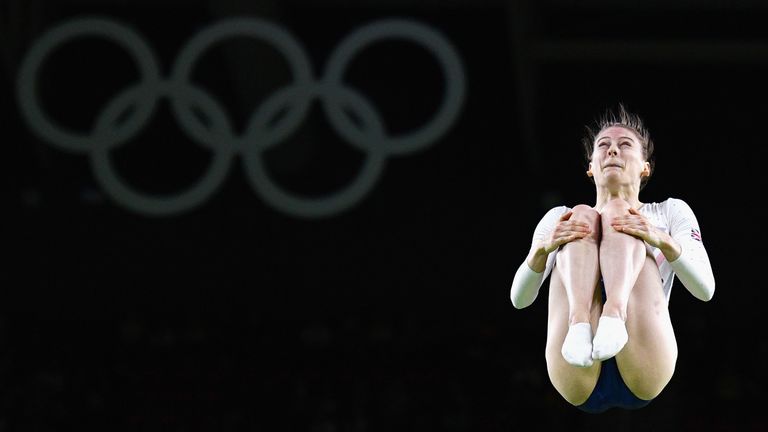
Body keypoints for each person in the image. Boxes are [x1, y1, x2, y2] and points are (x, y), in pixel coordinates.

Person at [509, 104, 715, 413]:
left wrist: (661, 240)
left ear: (645, 166)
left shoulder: (669, 212)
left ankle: (615, 314)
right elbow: (519, 299)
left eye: (624, 145)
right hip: (576, 359)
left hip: (644, 357)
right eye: (603, 146)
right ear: (590, 166)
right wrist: (541, 251)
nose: (612, 152)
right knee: (581, 215)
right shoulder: (561, 219)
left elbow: (705, 290)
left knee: (619, 211)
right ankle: (580, 321)